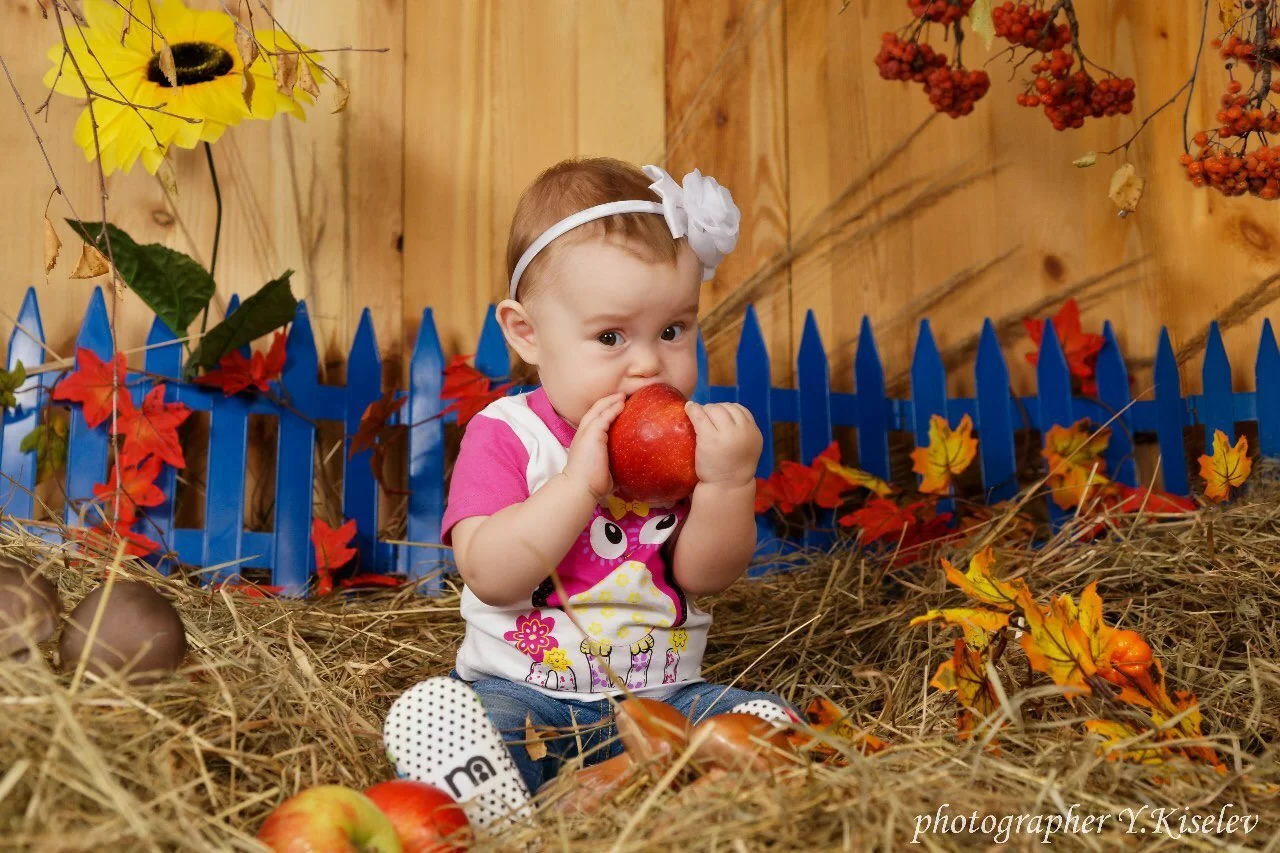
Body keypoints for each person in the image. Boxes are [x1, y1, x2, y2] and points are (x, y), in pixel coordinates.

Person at [383, 157, 798, 830]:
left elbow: (705, 576)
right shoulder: (508, 435)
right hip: (524, 693)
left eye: (673, 330)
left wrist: (728, 483)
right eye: (610, 336)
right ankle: (499, 812)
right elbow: (491, 575)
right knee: (477, 724)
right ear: (526, 333)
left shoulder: (692, 440)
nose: (649, 362)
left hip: (666, 699)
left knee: (767, 719)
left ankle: (643, 782)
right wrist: (578, 485)